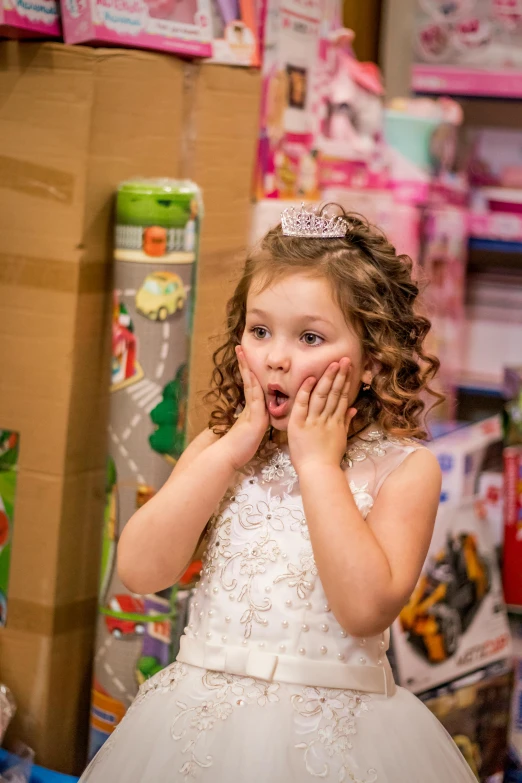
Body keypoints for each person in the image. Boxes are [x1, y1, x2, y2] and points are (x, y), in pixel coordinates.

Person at [81, 204, 477, 782]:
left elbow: (366, 610)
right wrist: (225, 453)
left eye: (310, 336)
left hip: (335, 742)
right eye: (259, 330)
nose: (277, 356)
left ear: (371, 359)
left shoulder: (404, 469)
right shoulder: (221, 449)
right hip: (195, 730)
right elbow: (141, 570)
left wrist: (317, 466)